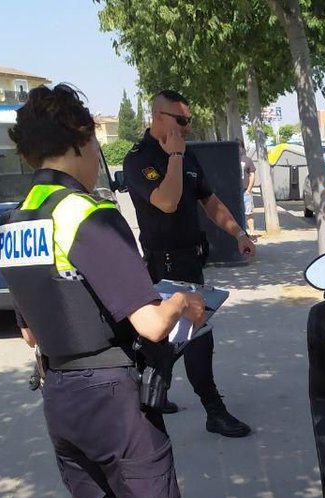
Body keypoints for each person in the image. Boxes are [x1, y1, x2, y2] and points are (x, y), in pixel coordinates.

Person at [0, 83, 232, 498]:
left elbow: (28, 330)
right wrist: (184, 304)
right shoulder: (85, 215)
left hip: (61, 396)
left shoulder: (16, 223)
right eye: (93, 140)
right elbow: (151, 323)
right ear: (80, 140)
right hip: (113, 400)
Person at [122, 89, 255, 438]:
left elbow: (209, 201)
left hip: (190, 259)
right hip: (162, 263)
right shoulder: (139, 159)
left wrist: (238, 233)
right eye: (181, 120)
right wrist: (176, 157)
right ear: (158, 117)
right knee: (191, 334)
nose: (188, 127)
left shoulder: (187, 153)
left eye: (189, 120)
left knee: (183, 333)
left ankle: (154, 391)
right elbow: (166, 202)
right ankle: (213, 410)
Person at [239, 138, 257, 235]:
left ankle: (252, 233)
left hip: (245, 192)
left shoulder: (247, 160)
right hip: (234, 192)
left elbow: (252, 174)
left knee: (248, 214)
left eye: (239, 147)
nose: (238, 149)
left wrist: (249, 189)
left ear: (242, 148)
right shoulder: (229, 160)